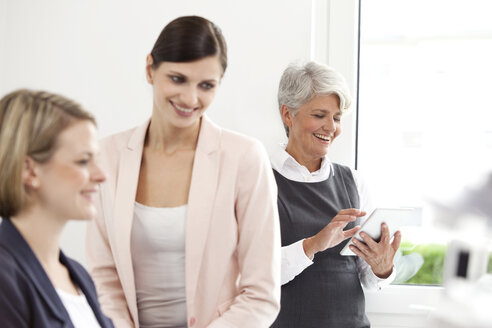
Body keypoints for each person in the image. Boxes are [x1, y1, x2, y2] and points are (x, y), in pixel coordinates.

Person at [86, 15, 281, 328]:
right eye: (177, 79)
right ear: (150, 69)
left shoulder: (244, 158)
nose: (191, 99)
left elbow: (261, 294)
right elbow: (103, 280)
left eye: (206, 85)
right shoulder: (108, 156)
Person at [270, 62, 401, 328]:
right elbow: (252, 276)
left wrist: (382, 266)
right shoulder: (260, 180)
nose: (331, 127)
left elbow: (369, 278)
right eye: (319, 115)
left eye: (337, 118)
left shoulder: (353, 181)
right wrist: (313, 244)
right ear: (288, 115)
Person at [0, 89, 113, 328]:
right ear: (30, 171)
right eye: (83, 161)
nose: (101, 175)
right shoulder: (4, 278)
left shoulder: (80, 277)